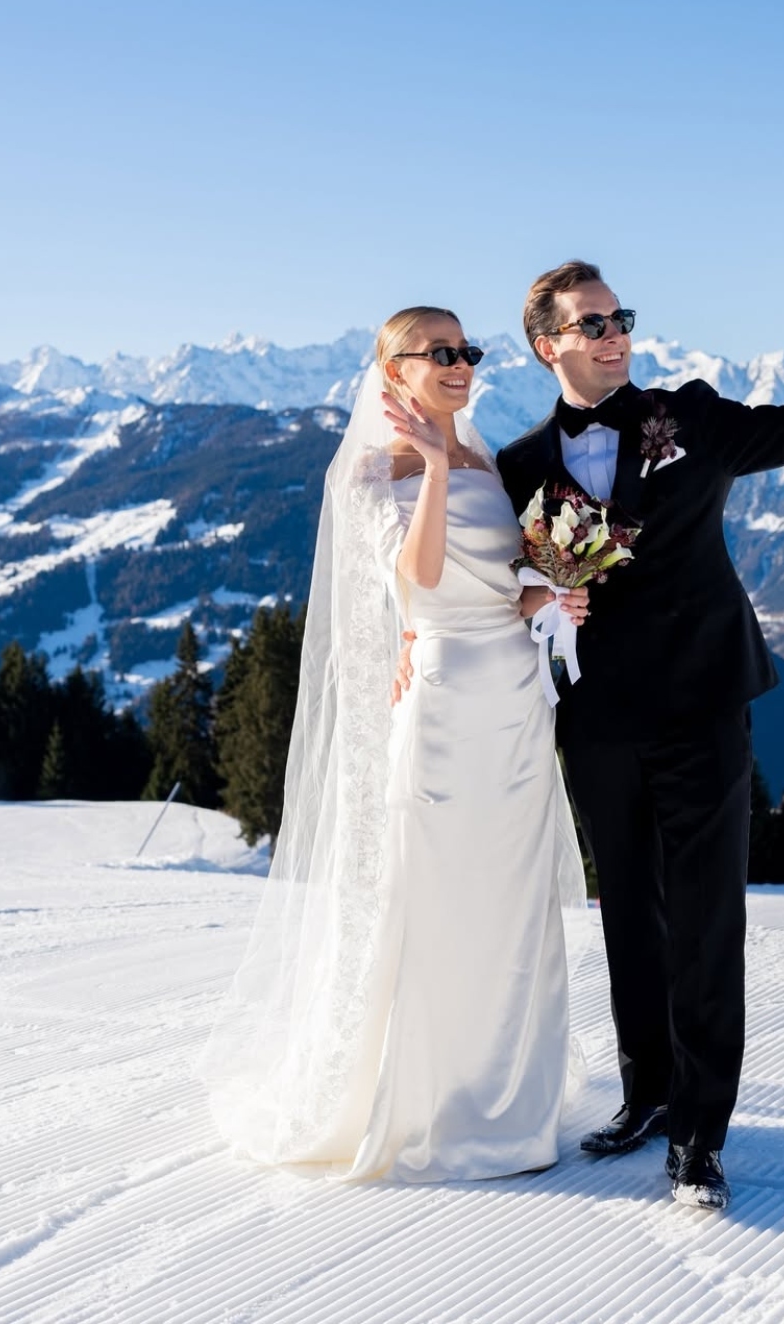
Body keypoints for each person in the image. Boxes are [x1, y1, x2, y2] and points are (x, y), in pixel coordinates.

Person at [494, 224, 784, 1210]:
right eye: (593, 324)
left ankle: (700, 1136)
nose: (616, 336)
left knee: (706, 922)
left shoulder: (688, 417)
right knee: (628, 913)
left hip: (700, 703)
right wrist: (530, 594)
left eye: (621, 319)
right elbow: (501, 578)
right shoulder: (515, 465)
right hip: (592, 721)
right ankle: (645, 1097)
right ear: (548, 343)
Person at [197, 306, 590, 1183]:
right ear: (393, 373)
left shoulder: (490, 460)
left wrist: (546, 600)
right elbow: (414, 583)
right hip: (447, 699)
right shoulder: (380, 471)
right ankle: (434, 1098)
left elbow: (501, 584)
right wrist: (439, 467)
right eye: (439, 353)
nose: (459, 364)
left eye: (467, 351)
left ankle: (512, 1096)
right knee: (443, 891)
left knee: (512, 896)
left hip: (517, 700)